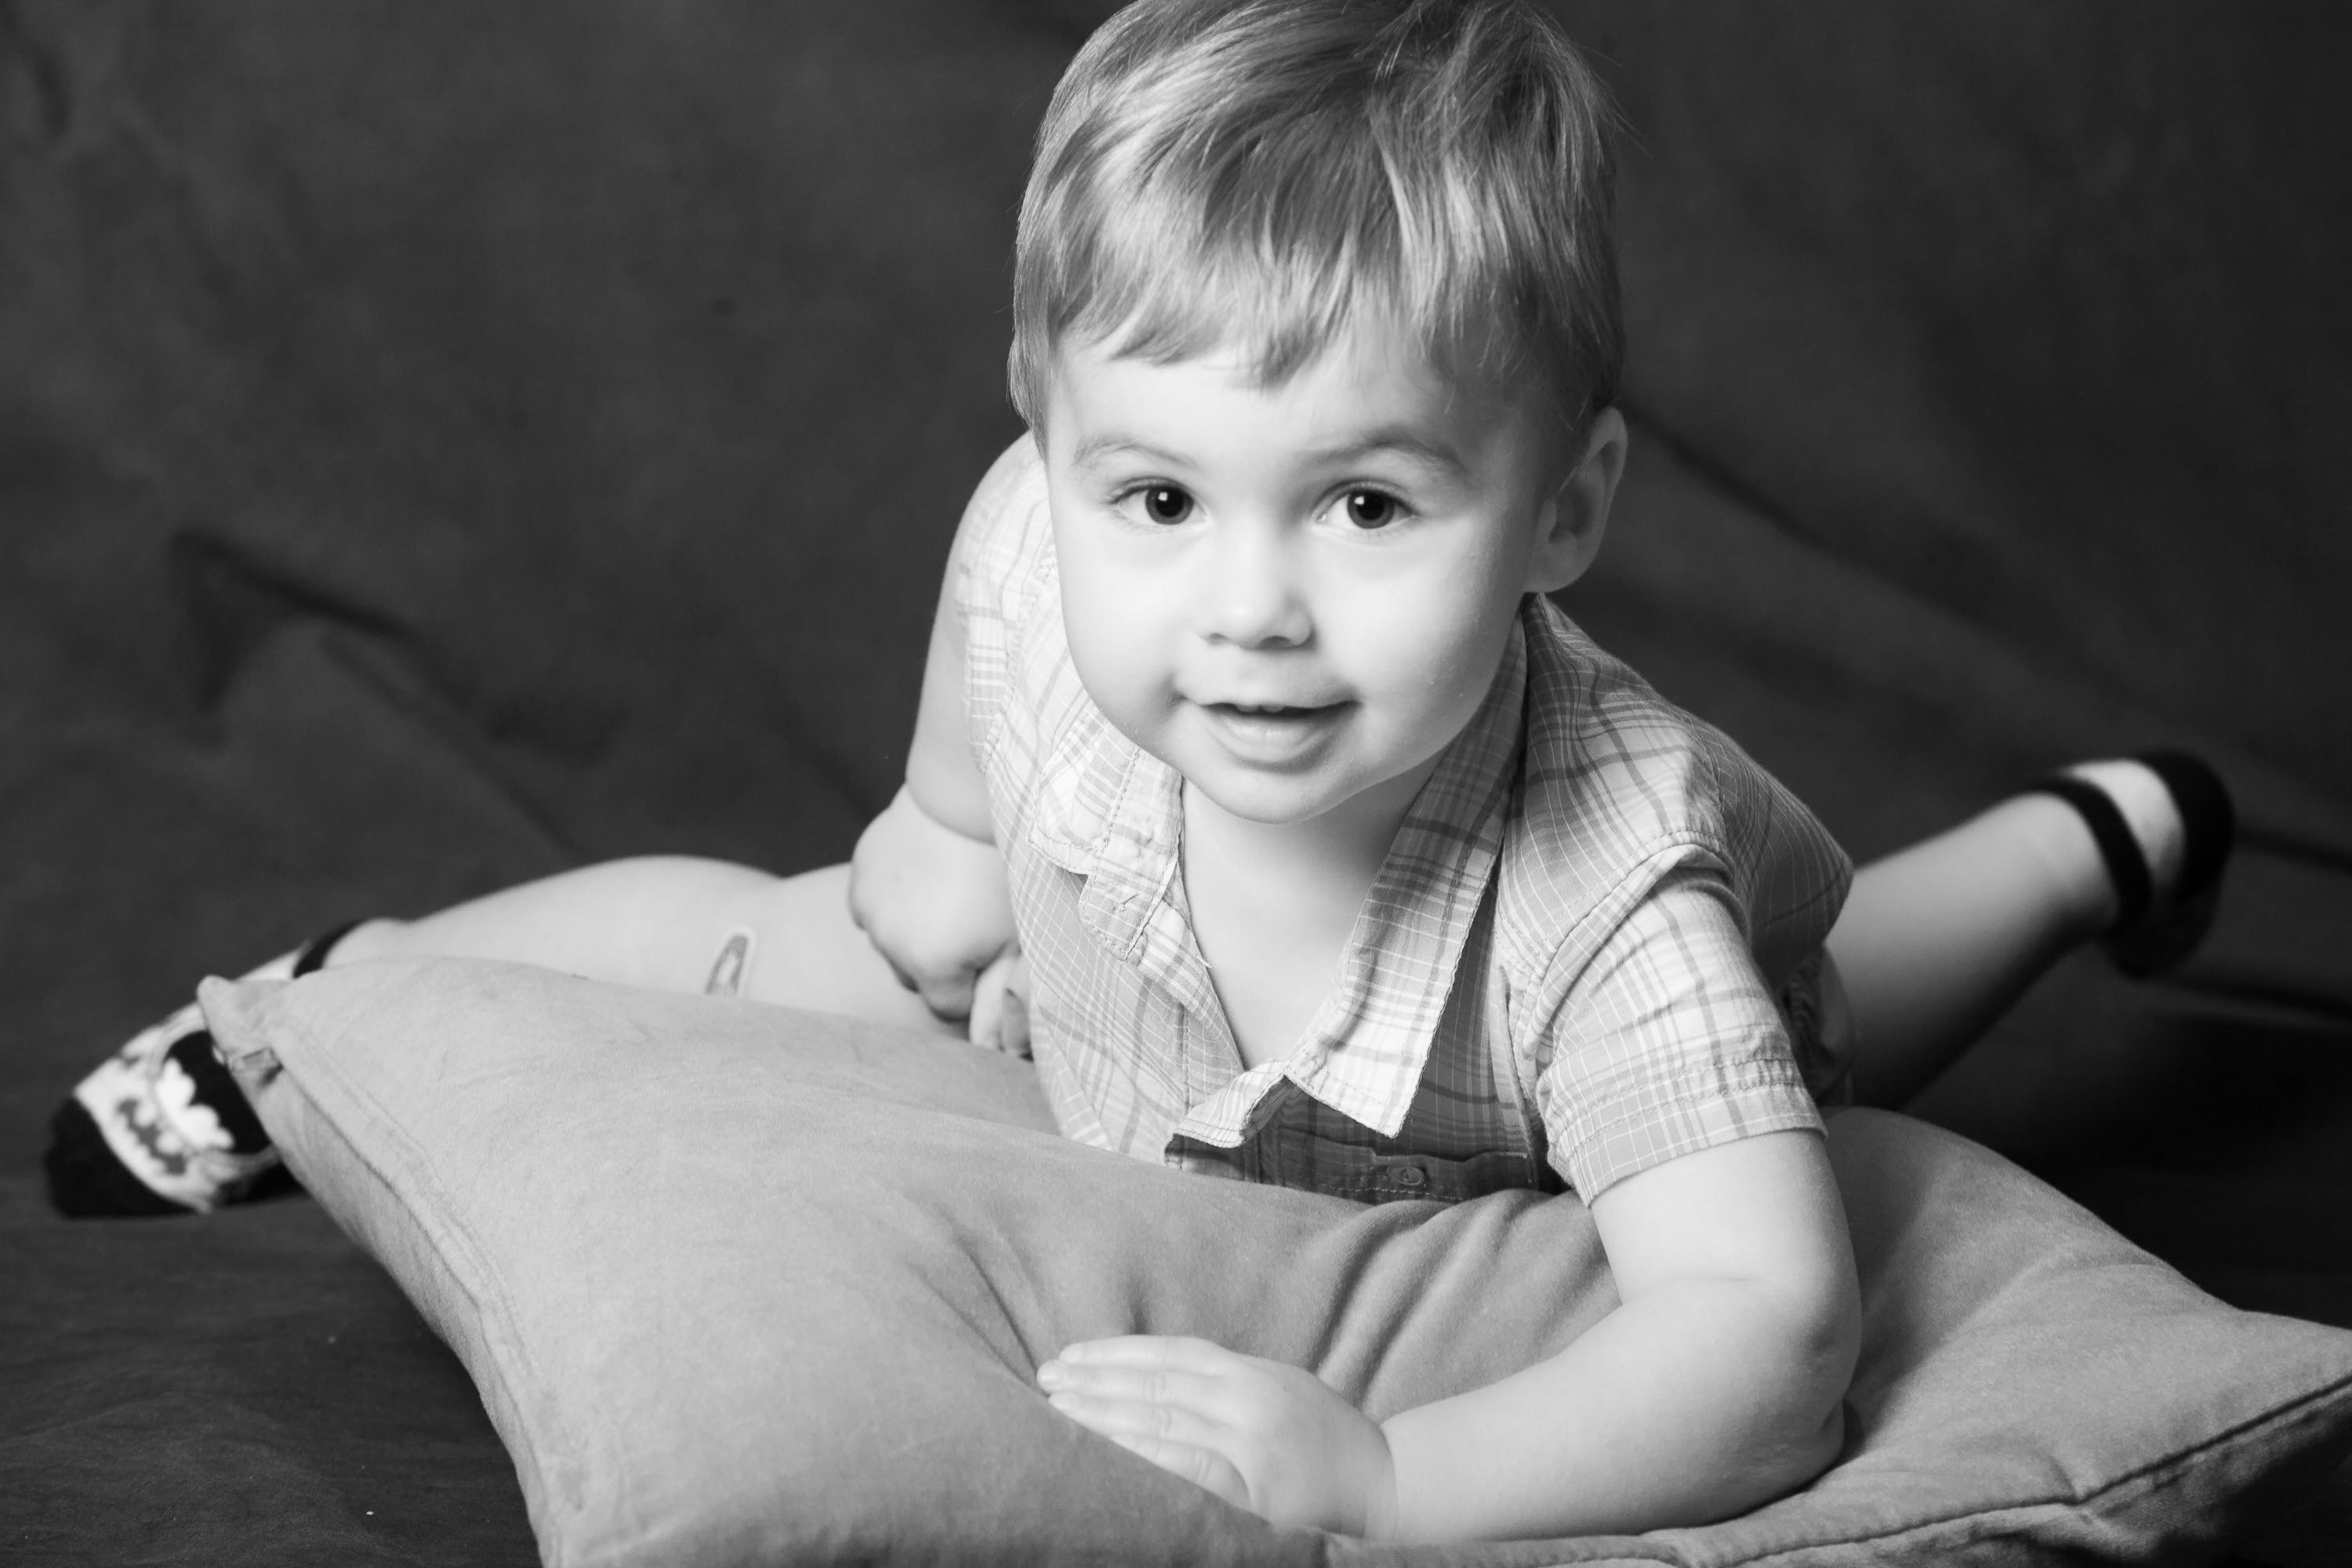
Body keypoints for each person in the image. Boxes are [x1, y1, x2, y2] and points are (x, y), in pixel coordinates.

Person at [45, 0, 2234, 1542]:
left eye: (1368, 505)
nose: (1246, 610)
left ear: (1563, 511)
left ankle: (2087, 842)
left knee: (1841, 1041)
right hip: (1105, 989)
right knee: (810, 930)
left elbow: (1766, 1329)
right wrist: (931, 865)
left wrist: (1398, 1480)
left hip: (1590, 1044)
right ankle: (321, 1005)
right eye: (1164, 500)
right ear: (1057, 434)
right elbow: (965, 727)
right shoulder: (1033, 545)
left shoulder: (1610, 910)